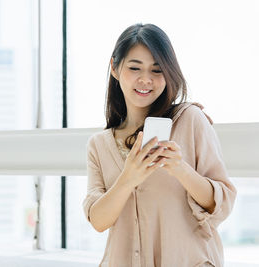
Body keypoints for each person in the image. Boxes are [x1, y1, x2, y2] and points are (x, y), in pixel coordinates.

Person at [83, 23, 237, 267]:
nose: (146, 79)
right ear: (114, 67)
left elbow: (222, 204)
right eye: (135, 68)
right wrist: (128, 178)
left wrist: (180, 169)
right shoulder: (99, 145)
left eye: (157, 70)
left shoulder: (190, 120)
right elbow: (99, 221)